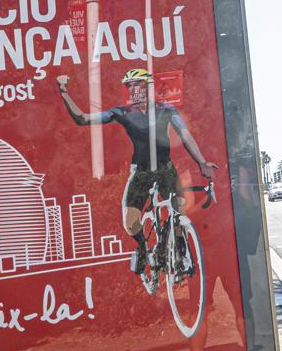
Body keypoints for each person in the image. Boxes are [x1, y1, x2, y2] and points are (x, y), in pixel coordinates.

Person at [57, 69, 218, 275]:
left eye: (138, 84)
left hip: (165, 169)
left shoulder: (166, 109)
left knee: (179, 212)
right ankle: (142, 247)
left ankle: (182, 256)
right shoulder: (122, 112)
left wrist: (202, 163)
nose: (133, 90)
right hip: (140, 173)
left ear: (148, 87)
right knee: (130, 222)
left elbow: (185, 135)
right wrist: (64, 92)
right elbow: (82, 119)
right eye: (129, 86)